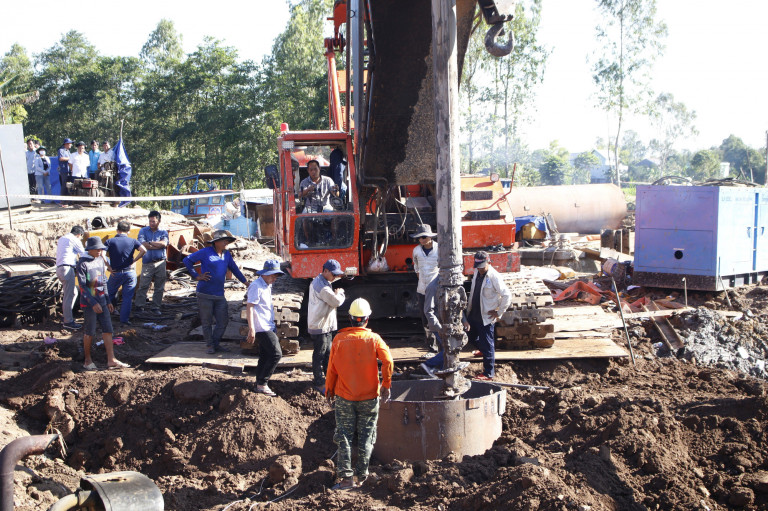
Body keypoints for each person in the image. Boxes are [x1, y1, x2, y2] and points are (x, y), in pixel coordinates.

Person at [326, 298, 393, 490]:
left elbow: (331, 368)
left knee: (344, 436)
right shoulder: (374, 339)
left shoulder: (339, 339)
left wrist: (329, 389)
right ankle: (362, 478)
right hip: (369, 397)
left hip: (345, 397)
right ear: (367, 319)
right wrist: (386, 384)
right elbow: (388, 361)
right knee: (367, 436)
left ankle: (346, 480)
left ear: (350, 319)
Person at [183, 230, 248, 354]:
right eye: (224, 241)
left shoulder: (227, 254)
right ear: (216, 242)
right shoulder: (206, 252)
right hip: (204, 293)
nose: (226, 243)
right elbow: (187, 260)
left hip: (219, 294)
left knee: (223, 321)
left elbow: (235, 269)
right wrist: (197, 276)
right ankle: (210, 345)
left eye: (227, 241)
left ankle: (215, 343)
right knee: (206, 321)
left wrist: (247, 283)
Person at [76, 236, 130, 370]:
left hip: (101, 300)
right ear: (90, 250)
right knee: (90, 331)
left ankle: (111, 359)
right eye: (97, 249)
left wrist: (107, 300)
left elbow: (103, 281)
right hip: (89, 303)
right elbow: (83, 287)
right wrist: (93, 303)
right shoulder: (82, 264)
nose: (100, 251)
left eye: (101, 249)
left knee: (108, 329)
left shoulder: (100, 261)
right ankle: (87, 360)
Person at [462, 251, 513, 381]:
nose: (480, 269)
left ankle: (488, 373)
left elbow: (507, 295)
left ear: (489, 263)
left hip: (486, 316)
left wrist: (499, 312)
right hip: (474, 313)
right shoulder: (476, 273)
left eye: (482, 267)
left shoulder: (494, 276)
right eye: (478, 267)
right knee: (470, 336)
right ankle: (482, 350)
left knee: (488, 343)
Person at [246, 260, 285, 396]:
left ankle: (258, 382)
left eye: (276, 276)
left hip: (268, 324)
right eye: (273, 276)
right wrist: (252, 329)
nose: (275, 279)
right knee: (276, 353)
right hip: (261, 327)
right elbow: (250, 307)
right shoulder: (256, 286)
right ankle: (262, 383)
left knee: (265, 355)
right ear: (265, 274)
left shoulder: (266, 285)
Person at [419, 274, 469, 377]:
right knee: (449, 348)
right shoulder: (432, 287)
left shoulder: (451, 285)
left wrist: (464, 320)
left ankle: (441, 370)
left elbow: (457, 305)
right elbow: (428, 311)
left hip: (448, 325)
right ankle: (428, 365)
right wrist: (439, 328)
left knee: (447, 348)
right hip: (438, 326)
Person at [308, 259, 346, 393]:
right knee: (320, 354)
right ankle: (319, 381)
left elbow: (329, 282)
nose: (335, 277)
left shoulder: (321, 280)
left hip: (324, 324)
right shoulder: (322, 287)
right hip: (321, 326)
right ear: (325, 271)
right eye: (334, 274)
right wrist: (340, 292)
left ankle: (328, 377)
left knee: (327, 354)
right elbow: (336, 301)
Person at [105, 221, 147, 328]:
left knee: (108, 295)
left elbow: (101, 253)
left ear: (117, 230)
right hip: (129, 273)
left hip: (115, 273)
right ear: (128, 231)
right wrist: (135, 261)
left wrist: (108, 267)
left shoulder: (110, 241)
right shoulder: (133, 241)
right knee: (127, 298)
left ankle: (104, 318)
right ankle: (124, 320)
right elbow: (144, 250)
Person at [411, 224, 439, 352]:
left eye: (423, 237)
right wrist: (421, 278)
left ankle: (441, 345)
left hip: (437, 290)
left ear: (429, 237)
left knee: (438, 317)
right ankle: (431, 347)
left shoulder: (439, 249)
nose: (421, 240)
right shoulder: (416, 250)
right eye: (419, 238)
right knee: (426, 319)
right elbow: (416, 266)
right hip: (422, 289)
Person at [135, 211, 168, 314]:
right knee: (143, 285)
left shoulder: (163, 232)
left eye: (153, 221)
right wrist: (155, 244)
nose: (151, 223)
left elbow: (164, 244)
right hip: (148, 263)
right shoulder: (143, 231)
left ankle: (156, 307)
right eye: (150, 221)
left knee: (159, 286)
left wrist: (149, 243)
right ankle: (139, 306)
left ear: (159, 221)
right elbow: (142, 245)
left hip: (160, 263)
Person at [56, 226, 86, 330]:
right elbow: (83, 253)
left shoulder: (62, 238)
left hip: (60, 268)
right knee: (69, 295)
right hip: (67, 268)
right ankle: (68, 322)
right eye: (81, 238)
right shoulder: (74, 239)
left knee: (73, 292)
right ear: (79, 235)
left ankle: (67, 316)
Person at [57, 138, 73, 205]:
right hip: (64, 170)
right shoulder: (61, 150)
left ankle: (67, 200)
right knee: (64, 185)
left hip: (69, 171)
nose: (71, 145)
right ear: (66, 144)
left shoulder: (68, 151)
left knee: (68, 185)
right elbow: (61, 158)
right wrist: (70, 159)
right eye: (69, 143)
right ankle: (62, 201)